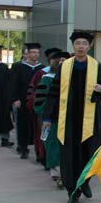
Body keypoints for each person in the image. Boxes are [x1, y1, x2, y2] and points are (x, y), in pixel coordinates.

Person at [42, 31, 101, 203]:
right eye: (78, 43)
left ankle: (85, 182)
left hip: (89, 122)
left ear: (90, 46)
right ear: (73, 46)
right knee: (69, 157)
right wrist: (48, 117)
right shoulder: (64, 67)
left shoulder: (98, 67)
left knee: (88, 155)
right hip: (68, 121)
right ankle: (72, 191)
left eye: (84, 43)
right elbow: (53, 93)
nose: (81, 46)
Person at [33, 51, 70, 188]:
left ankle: (68, 174)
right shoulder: (47, 79)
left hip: (69, 119)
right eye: (60, 61)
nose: (62, 63)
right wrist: (46, 116)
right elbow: (40, 103)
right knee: (54, 146)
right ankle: (58, 175)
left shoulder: (72, 79)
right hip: (52, 120)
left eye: (65, 60)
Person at [26, 47, 61, 162]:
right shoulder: (43, 75)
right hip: (46, 114)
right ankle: (45, 158)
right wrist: (41, 111)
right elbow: (35, 94)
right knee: (48, 139)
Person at [10, 43, 44, 159]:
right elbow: (13, 84)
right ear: (27, 54)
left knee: (38, 128)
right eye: (33, 52)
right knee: (23, 126)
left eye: (37, 52)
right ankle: (23, 148)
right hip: (23, 102)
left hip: (38, 102)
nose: (36, 55)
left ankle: (39, 152)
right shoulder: (18, 67)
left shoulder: (41, 68)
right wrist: (15, 99)